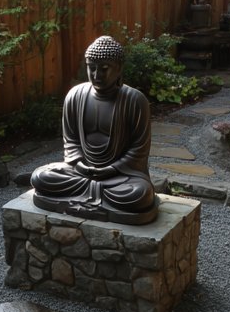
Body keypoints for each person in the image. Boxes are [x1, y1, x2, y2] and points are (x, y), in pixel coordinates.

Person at [30, 35, 158, 225]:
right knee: (40, 177)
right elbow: (70, 140)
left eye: (104, 69)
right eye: (92, 68)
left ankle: (92, 192)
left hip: (119, 176)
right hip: (81, 171)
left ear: (118, 68)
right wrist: (80, 163)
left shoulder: (134, 101)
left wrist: (111, 169)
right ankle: (95, 193)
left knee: (140, 194)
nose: (97, 75)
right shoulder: (75, 96)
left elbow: (139, 150)